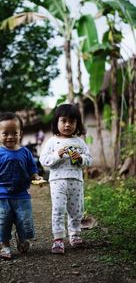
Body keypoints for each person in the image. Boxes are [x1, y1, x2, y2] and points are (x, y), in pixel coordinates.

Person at [0, 111, 43, 259]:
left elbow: (32, 169)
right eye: (5, 133)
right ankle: (5, 246)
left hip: (22, 194)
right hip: (1, 194)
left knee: (24, 219)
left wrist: (36, 177)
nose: (10, 136)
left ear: (20, 133)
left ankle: (22, 239)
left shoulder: (26, 153)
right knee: (2, 220)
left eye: (14, 133)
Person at [39, 104, 92, 254]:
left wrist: (81, 158)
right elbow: (44, 160)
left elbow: (89, 159)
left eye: (72, 121)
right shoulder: (51, 142)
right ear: (56, 122)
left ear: (77, 124)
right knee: (58, 209)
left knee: (77, 210)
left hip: (76, 181)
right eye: (64, 121)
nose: (68, 124)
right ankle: (58, 239)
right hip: (57, 181)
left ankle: (74, 234)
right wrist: (57, 155)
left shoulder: (79, 142)